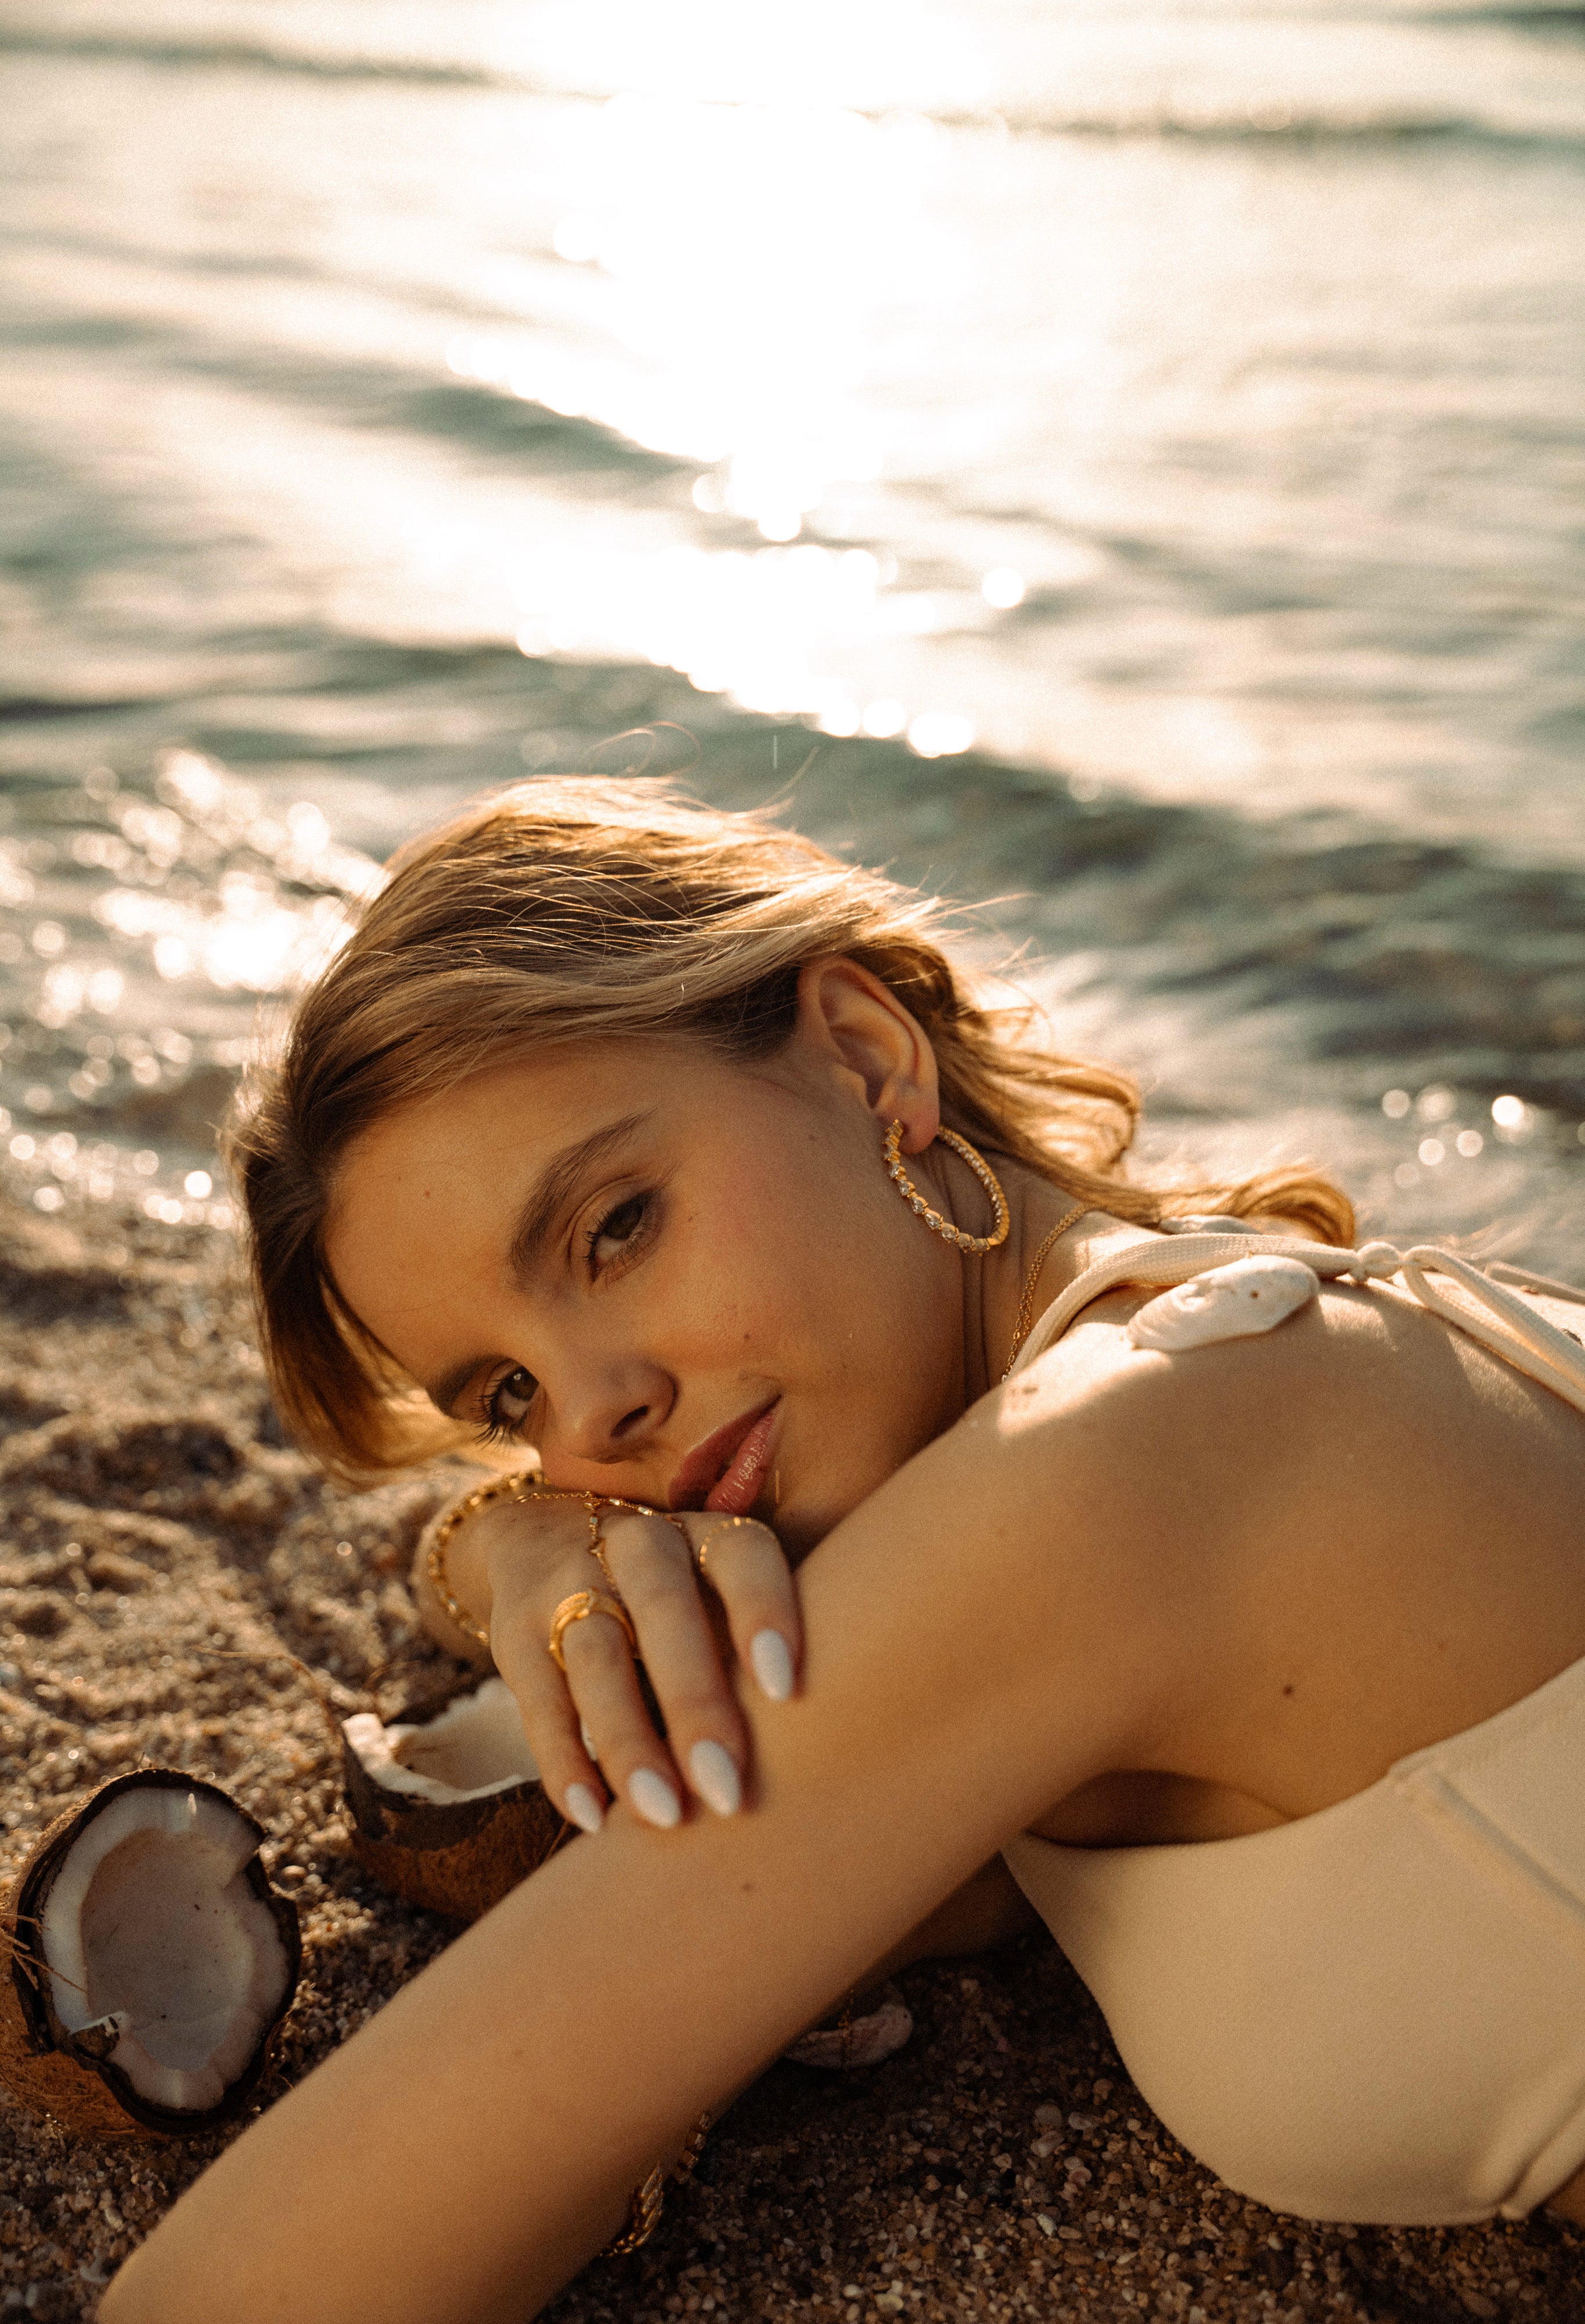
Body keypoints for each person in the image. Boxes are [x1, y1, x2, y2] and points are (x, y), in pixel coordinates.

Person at [103, 777, 1585, 2324]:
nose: (598, 1414)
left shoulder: (1111, 1473)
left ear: (868, 1059)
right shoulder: (1200, 1345)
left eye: (613, 1228)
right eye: (509, 1395)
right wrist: (530, 1545)